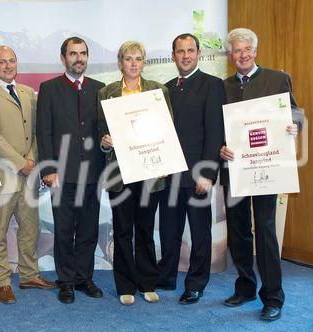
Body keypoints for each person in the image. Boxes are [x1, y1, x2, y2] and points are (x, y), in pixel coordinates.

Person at [219, 28, 304, 321]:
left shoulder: (277, 79)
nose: (242, 55)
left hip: (267, 168)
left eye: (247, 50)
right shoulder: (224, 86)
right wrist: (221, 148)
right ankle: (245, 288)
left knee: (266, 231)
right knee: (239, 232)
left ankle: (273, 297)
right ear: (230, 55)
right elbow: (220, 128)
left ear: (255, 51)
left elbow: (295, 112)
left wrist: (294, 126)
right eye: (236, 51)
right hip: (235, 169)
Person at [0, 46, 56, 304]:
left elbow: (36, 129)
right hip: (4, 174)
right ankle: (2, 281)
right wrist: (21, 162)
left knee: (30, 228)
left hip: (29, 173)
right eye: (2, 62)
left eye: (12, 61)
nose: (8, 66)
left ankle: (29, 275)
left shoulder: (27, 93)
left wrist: (31, 159)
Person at [97, 41, 172, 306]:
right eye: (128, 59)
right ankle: (125, 285)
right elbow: (100, 132)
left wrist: (165, 159)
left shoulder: (158, 91)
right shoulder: (107, 93)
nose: (133, 63)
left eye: (138, 59)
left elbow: (167, 130)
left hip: (150, 172)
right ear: (120, 63)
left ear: (144, 63)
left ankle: (147, 283)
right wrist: (104, 140)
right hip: (120, 173)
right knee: (122, 231)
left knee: (145, 229)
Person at [157, 33, 225, 305]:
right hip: (169, 175)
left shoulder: (212, 85)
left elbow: (215, 132)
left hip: (199, 176)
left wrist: (208, 173)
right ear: (173, 55)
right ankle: (166, 276)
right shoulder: (165, 88)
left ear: (199, 54)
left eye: (190, 50)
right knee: (168, 231)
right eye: (180, 51)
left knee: (199, 233)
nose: (185, 56)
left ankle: (196, 284)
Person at [36, 37, 105, 304]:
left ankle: (84, 278)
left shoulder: (99, 89)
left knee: (89, 230)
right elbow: (44, 132)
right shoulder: (50, 89)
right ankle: (65, 281)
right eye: (73, 54)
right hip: (61, 176)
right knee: (64, 231)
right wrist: (48, 170)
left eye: (83, 53)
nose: (79, 58)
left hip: (93, 174)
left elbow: (104, 132)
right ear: (63, 57)